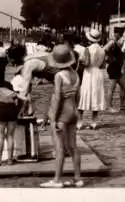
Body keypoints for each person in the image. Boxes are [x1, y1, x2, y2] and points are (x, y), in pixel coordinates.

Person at [40, 44, 83, 188]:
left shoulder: (59, 76)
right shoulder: (76, 74)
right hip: (73, 112)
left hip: (62, 113)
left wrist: (52, 118)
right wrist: (76, 111)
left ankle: (57, 180)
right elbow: (78, 96)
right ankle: (78, 178)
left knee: (59, 148)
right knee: (73, 147)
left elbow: (58, 97)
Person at [77, 29, 106, 130]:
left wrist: (80, 61)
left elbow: (86, 63)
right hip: (98, 72)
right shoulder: (102, 50)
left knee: (84, 94)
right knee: (96, 95)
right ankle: (94, 122)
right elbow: (103, 65)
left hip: (89, 72)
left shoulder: (87, 49)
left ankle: (80, 122)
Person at [103, 27, 125, 112]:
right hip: (113, 67)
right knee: (111, 88)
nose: (120, 35)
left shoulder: (116, 42)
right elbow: (104, 49)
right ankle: (109, 106)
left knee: (124, 85)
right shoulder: (112, 42)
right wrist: (110, 58)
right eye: (120, 34)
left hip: (117, 67)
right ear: (117, 34)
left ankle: (122, 105)